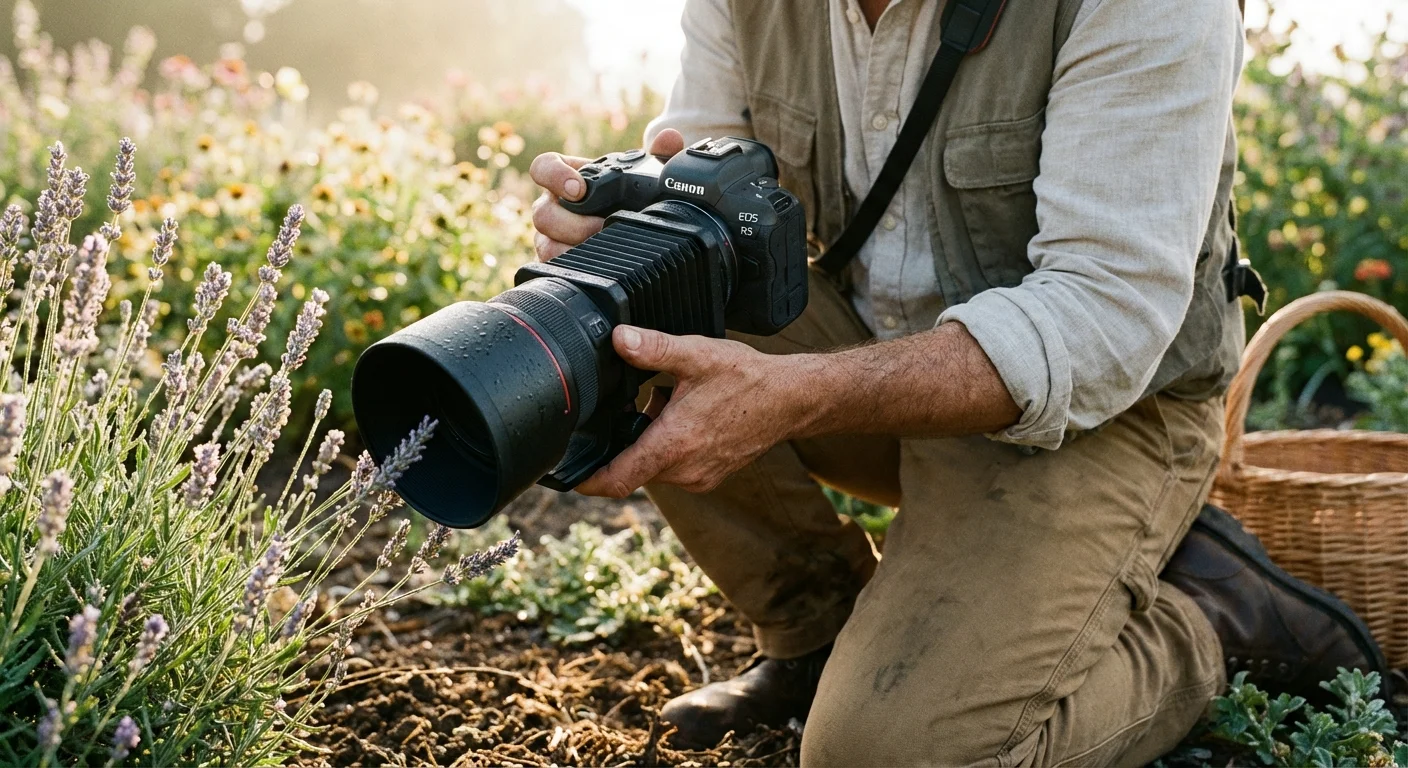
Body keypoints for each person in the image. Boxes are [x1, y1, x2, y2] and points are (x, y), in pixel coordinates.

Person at [528, 0, 1389, 764]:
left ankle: (1209, 620)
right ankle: (816, 637)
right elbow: (704, 211)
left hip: (1109, 410)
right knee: (610, 318)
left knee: (891, 756)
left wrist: (804, 390)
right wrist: (623, 233)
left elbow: (1107, 314)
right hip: (873, 367)